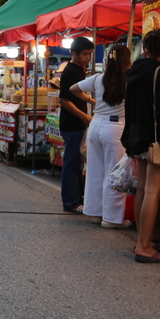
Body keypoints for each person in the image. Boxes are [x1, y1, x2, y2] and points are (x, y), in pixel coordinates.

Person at [121, 27, 160, 263]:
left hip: (136, 137)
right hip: (155, 140)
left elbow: (131, 108)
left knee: (143, 190)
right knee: (153, 192)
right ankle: (144, 245)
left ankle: (142, 240)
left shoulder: (134, 71)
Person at [71, 44, 131, 228]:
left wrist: (92, 99)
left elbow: (73, 89)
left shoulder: (97, 78)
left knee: (95, 172)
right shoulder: (128, 80)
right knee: (114, 173)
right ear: (127, 61)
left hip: (95, 125)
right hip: (115, 127)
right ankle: (111, 218)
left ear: (107, 60)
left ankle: (95, 213)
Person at [58, 37, 95, 213]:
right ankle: (71, 202)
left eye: (90, 54)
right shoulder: (71, 71)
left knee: (77, 163)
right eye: (85, 54)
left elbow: (78, 93)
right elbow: (64, 100)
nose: (88, 57)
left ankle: (77, 199)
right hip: (71, 124)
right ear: (74, 54)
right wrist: (83, 115)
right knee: (72, 163)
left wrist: (90, 100)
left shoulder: (79, 70)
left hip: (78, 123)